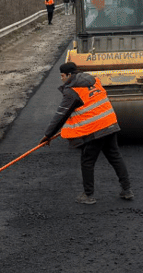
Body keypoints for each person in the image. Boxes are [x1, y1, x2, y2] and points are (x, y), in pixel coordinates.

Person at [39, 62, 131, 205]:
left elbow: (61, 115)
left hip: (95, 129)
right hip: (110, 124)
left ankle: (88, 195)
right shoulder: (93, 80)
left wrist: (47, 135)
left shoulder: (72, 91)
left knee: (87, 161)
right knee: (115, 157)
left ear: (69, 75)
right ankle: (127, 190)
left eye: (62, 76)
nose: (61, 79)